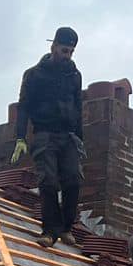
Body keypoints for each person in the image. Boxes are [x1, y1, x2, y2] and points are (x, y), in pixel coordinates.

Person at [8, 27, 84, 246]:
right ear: (53, 47)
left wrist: (81, 139)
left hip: (68, 135)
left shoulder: (74, 76)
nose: (67, 55)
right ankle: (49, 231)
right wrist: (20, 137)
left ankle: (66, 228)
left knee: (73, 179)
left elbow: (78, 107)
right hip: (44, 134)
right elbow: (24, 107)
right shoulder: (34, 74)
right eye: (63, 50)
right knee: (48, 182)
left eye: (70, 52)